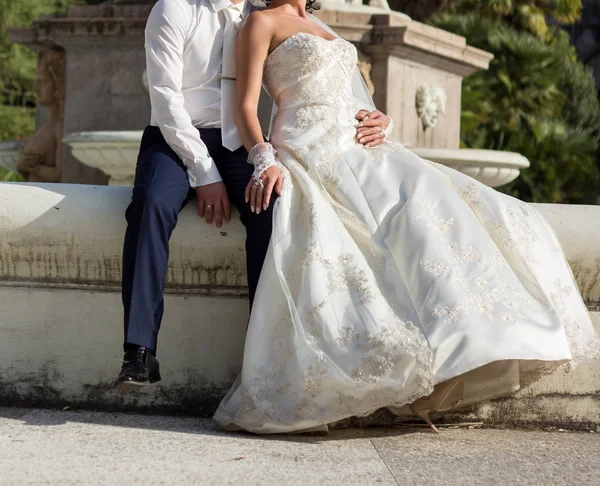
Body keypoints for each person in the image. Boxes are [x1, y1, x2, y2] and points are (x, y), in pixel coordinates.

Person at [213, 0, 600, 434]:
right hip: (308, 147)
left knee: (443, 202)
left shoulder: (318, 23)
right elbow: (244, 106)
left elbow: (355, 96)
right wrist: (264, 159)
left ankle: (454, 356)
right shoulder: (259, 22)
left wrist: (382, 119)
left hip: (360, 147)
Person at [114, 0, 388, 391]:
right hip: (176, 138)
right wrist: (205, 173)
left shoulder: (264, 13)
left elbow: (318, 81)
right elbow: (165, 97)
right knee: (149, 206)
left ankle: (264, 357)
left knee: (275, 207)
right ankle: (139, 351)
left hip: (240, 143)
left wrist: (376, 116)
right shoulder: (174, 8)